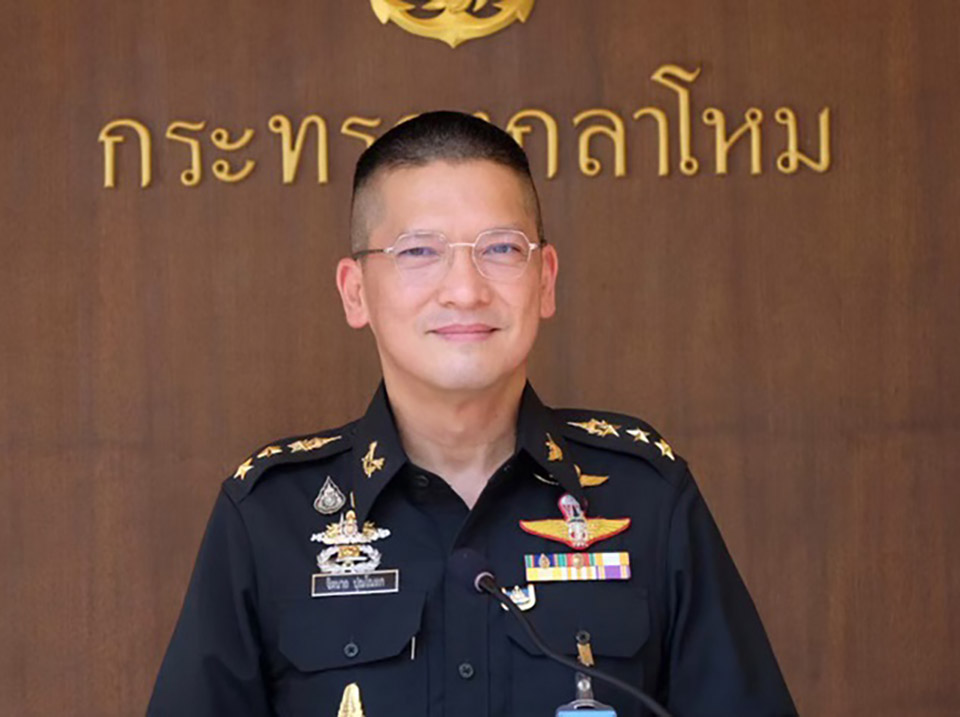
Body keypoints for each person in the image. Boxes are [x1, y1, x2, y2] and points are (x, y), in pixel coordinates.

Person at [148, 111, 798, 717]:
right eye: (419, 251)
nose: (464, 289)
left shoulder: (647, 497)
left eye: (500, 249)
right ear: (355, 292)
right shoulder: (269, 517)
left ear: (545, 280)